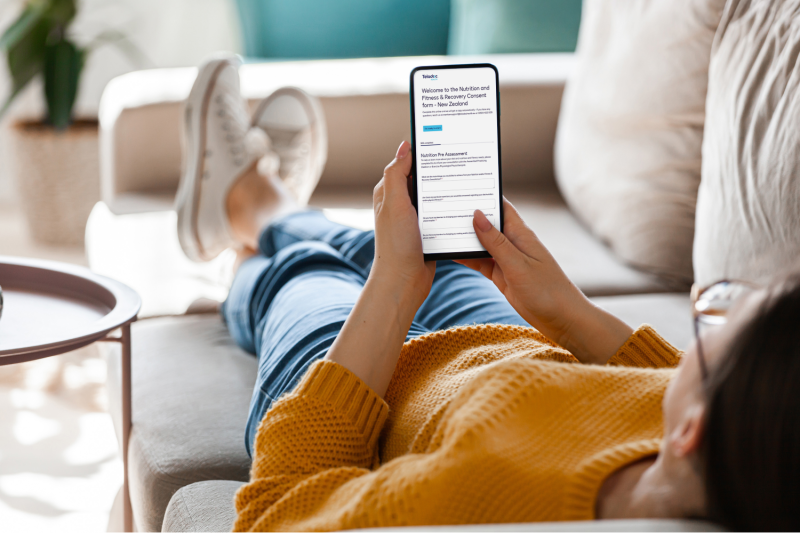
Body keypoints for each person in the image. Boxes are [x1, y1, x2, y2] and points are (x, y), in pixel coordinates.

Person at [175, 56, 800, 533]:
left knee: (308, 273)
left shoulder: (485, 492)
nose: (695, 337)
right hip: (498, 344)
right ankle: (256, 211)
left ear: (690, 432)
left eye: (716, 326)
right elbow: (669, 386)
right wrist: (561, 306)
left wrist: (392, 292)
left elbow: (275, 512)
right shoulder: (744, 454)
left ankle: (251, 204)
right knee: (423, 244)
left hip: (364, 394)